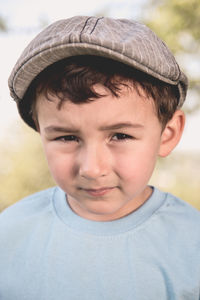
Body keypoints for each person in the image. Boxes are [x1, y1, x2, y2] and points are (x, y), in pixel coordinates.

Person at [0, 16, 200, 300]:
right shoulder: (9, 232)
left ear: (167, 134)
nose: (92, 169)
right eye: (66, 137)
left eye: (120, 136)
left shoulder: (192, 245)